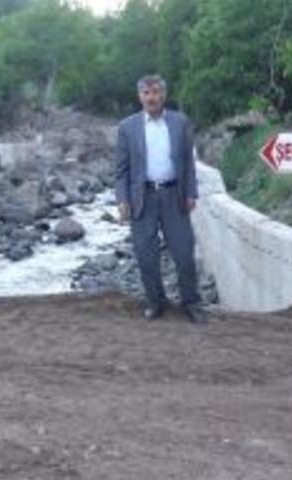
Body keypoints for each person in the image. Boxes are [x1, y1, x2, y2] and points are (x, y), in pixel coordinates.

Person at [114, 74, 206, 324]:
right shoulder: (127, 127)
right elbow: (121, 170)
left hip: (173, 195)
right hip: (141, 197)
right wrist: (122, 199)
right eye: (146, 93)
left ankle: (191, 302)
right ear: (140, 96)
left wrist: (191, 192)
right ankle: (156, 301)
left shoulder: (179, 122)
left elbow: (188, 162)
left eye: (155, 92)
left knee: (184, 253)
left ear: (163, 95)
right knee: (145, 255)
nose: (151, 98)